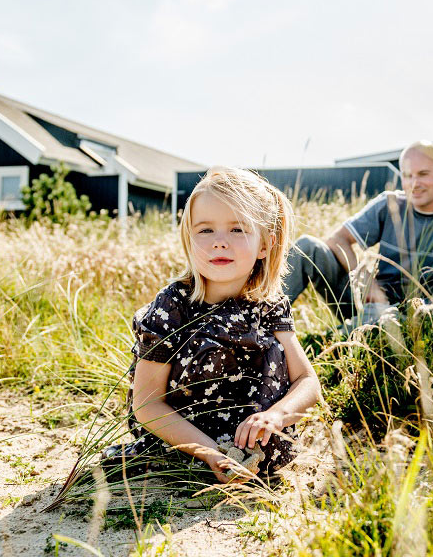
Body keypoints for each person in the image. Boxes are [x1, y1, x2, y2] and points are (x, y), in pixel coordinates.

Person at [101, 167, 322, 484]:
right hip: (184, 443)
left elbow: (307, 381)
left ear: (264, 245)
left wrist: (277, 415)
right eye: (205, 231)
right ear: (189, 240)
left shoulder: (270, 305)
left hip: (257, 451)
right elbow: (147, 405)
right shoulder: (173, 306)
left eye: (238, 230)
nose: (220, 242)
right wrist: (210, 453)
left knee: (274, 350)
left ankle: (245, 461)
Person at [284, 141, 433, 324]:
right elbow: (337, 239)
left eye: (423, 174)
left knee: (382, 324)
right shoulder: (390, 204)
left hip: (412, 318)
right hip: (367, 300)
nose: (414, 184)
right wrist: (367, 282)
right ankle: (260, 325)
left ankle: (341, 341)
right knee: (307, 247)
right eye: (408, 176)